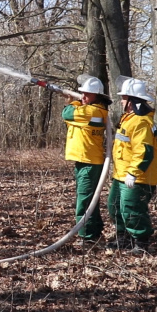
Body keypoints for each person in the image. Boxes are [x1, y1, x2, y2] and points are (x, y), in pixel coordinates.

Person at [107, 77, 157, 253]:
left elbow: (144, 151)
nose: (121, 101)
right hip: (121, 174)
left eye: (123, 97)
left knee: (132, 208)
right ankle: (124, 238)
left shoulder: (141, 122)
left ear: (131, 100)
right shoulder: (129, 118)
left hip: (137, 177)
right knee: (114, 206)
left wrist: (133, 172)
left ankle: (141, 243)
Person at [61, 75, 110, 244]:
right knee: (90, 198)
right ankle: (94, 230)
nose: (83, 97)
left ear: (97, 96)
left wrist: (72, 102)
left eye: (86, 95)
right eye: (81, 94)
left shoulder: (91, 111)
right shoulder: (94, 110)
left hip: (89, 162)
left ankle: (87, 235)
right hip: (86, 160)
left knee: (84, 199)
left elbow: (67, 113)